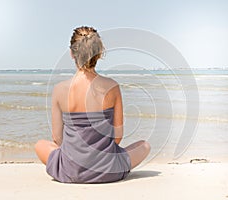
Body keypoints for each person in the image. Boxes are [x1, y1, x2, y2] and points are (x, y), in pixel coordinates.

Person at [35, 26, 150, 183]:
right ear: (99, 53)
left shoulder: (59, 90)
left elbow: (57, 138)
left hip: (72, 170)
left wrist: (79, 154)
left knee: (40, 145)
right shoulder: (112, 87)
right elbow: (117, 137)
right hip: (108, 170)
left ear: (71, 53)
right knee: (144, 146)